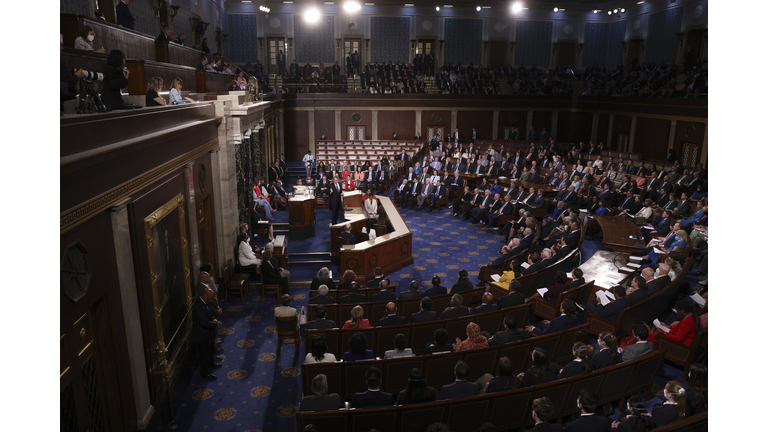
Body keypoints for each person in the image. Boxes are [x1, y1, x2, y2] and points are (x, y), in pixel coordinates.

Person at [192, 287, 222, 380]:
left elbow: (209, 314)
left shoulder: (205, 302)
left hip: (208, 334)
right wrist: (215, 324)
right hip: (202, 335)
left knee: (210, 350)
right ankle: (205, 372)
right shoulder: (199, 307)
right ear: (206, 296)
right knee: (204, 355)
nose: (212, 300)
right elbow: (203, 322)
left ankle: (211, 364)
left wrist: (214, 320)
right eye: (211, 298)